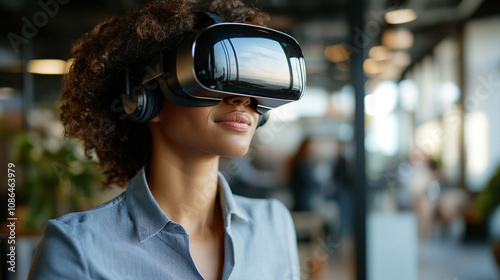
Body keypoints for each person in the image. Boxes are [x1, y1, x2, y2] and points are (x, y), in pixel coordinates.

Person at [28, 0, 306, 279]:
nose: (243, 99)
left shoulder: (274, 224)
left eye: (250, 84)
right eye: (213, 76)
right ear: (144, 99)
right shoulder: (76, 247)